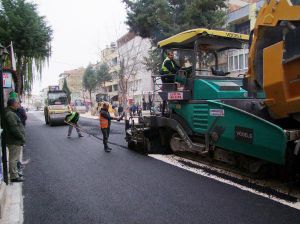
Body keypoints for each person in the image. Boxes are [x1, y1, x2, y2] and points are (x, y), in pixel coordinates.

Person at [4, 98, 25, 182]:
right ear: (13, 104)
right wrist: (21, 137)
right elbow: (14, 128)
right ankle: (14, 176)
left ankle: (14, 172)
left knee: (14, 158)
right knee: (14, 158)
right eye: (17, 103)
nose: (18, 104)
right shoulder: (10, 114)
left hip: (13, 140)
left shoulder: (10, 112)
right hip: (14, 140)